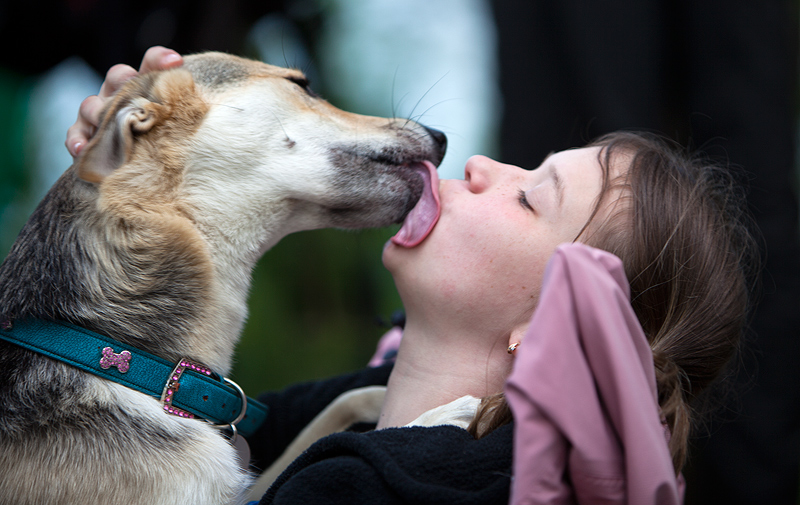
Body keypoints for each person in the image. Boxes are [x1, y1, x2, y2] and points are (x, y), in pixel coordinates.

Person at [66, 47, 757, 505]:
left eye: (529, 197)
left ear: (556, 327)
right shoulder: (356, 412)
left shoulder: (382, 490)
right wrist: (149, 179)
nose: (483, 165)